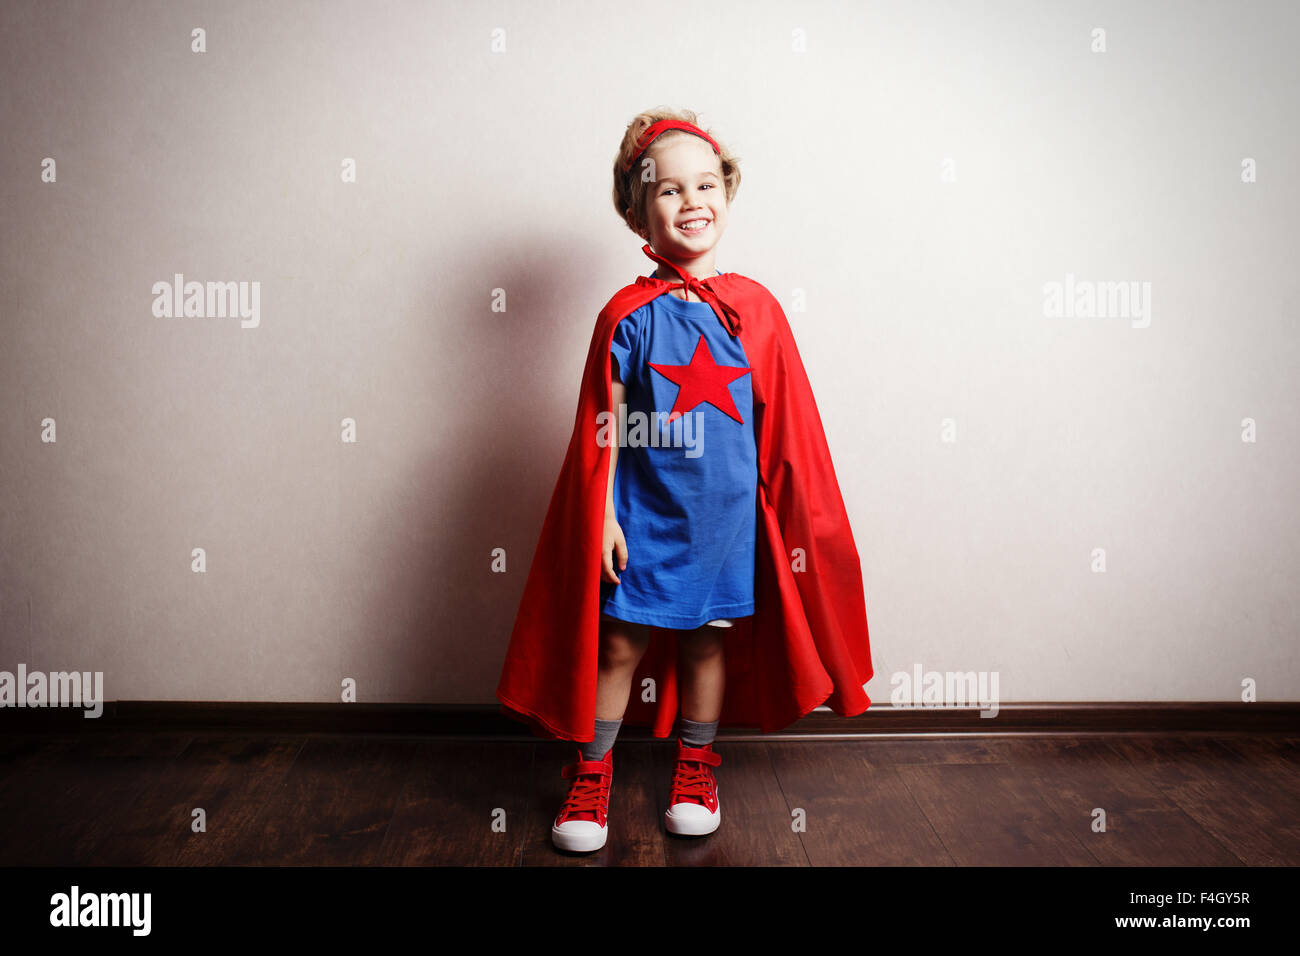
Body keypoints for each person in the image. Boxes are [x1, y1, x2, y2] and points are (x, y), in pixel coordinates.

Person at [496, 108, 874, 853]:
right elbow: (604, 434)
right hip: (642, 517)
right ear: (636, 212)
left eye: (705, 184)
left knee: (707, 644)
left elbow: (788, 434)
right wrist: (604, 518)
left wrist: (787, 527)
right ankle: (591, 775)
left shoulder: (756, 310)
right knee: (618, 646)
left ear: (727, 195)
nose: (691, 200)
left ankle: (696, 767)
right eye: (668, 189)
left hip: (726, 520)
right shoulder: (625, 316)